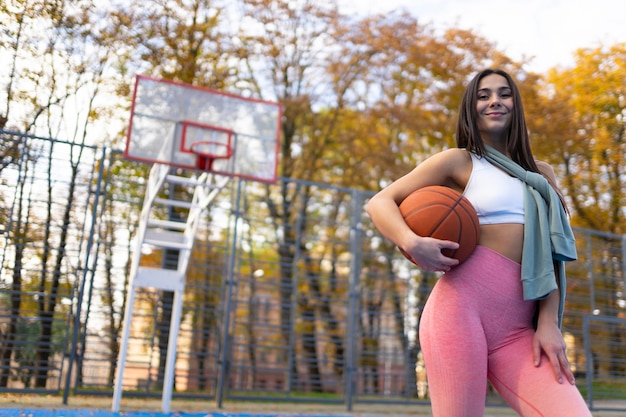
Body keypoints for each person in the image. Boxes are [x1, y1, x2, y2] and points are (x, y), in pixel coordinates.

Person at [365, 68, 592, 416]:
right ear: (471, 109)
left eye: (504, 93)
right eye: (483, 96)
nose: (494, 101)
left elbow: (552, 253)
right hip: (459, 313)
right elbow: (380, 201)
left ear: (516, 104)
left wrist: (549, 323)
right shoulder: (459, 161)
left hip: (518, 329)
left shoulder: (541, 174)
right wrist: (412, 242)